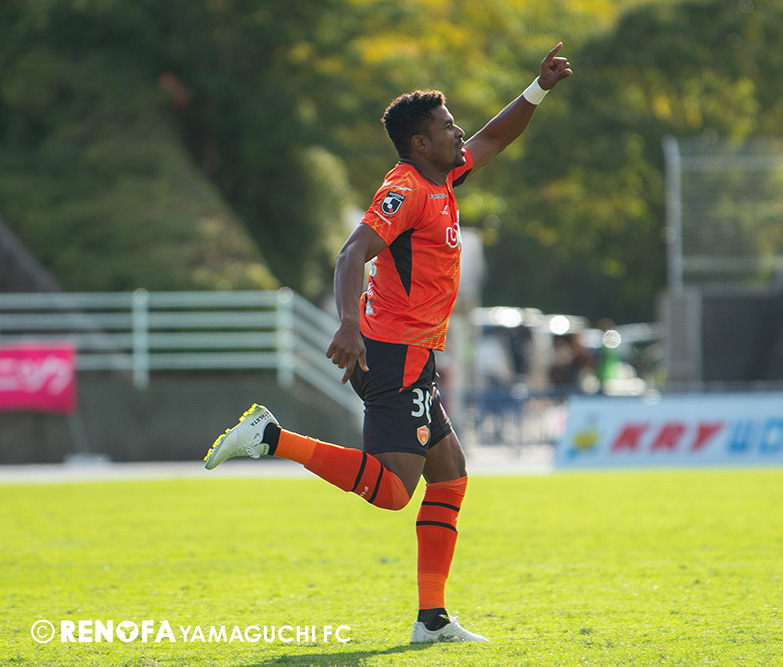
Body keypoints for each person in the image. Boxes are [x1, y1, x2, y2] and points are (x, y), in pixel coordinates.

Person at [203, 43, 572, 644]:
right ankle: (271, 437)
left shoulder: (443, 175)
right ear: (419, 143)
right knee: (395, 492)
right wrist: (348, 324)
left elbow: (494, 138)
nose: (459, 132)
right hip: (392, 352)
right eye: (446, 127)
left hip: (413, 354)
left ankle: (432, 618)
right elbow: (352, 253)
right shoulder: (405, 190)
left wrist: (538, 89)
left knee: (449, 477)